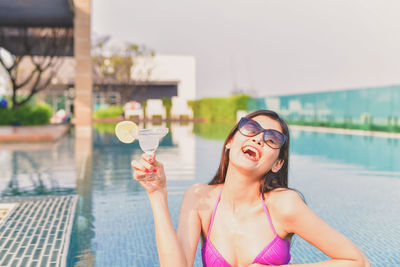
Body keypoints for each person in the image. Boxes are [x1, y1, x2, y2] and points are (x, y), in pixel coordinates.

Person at [132, 110, 370, 267]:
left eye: (272, 139)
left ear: (277, 163)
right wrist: (157, 194)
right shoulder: (199, 198)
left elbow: (357, 261)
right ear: (229, 142)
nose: (258, 139)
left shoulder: (283, 205)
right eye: (251, 128)